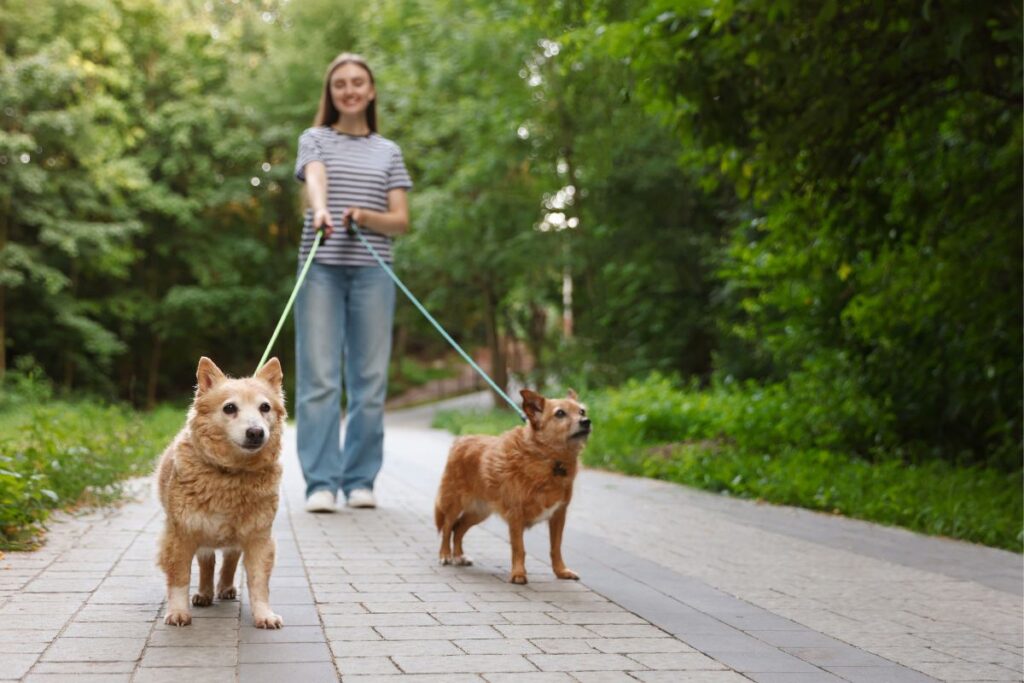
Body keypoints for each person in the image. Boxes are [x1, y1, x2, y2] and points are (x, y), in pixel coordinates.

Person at [293, 53, 412, 512]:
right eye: (340, 83)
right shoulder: (315, 138)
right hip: (320, 268)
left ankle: (360, 479)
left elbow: (400, 220)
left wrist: (365, 216)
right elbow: (315, 178)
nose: (349, 90)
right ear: (331, 92)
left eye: (357, 82)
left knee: (369, 379)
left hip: (373, 271)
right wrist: (321, 209)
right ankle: (320, 483)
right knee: (320, 378)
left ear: (371, 90)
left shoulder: (389, 151)